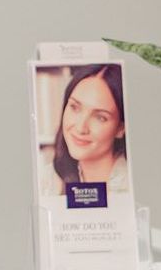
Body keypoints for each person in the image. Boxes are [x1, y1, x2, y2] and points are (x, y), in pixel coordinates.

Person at [40, 63, 129, 196]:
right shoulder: (47, 181)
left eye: (100, 117)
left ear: (121, 128)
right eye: (75, 107)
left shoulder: (130, 185)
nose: (81, 128)